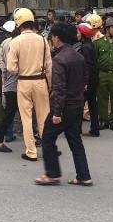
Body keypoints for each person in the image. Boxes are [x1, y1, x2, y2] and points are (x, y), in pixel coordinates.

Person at [35, 24, 92, 186]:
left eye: (52, 37)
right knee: (75, 140)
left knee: (47, 137)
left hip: (63, 106)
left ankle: (52, 174)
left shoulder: (60, 59)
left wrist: (57, 113)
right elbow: (85, 79)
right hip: (77, 104)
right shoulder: (78, 56)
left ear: (56, 38)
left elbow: (59, 88)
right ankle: (84, 175)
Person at [7, 8, 52, 161]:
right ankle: (48, 150)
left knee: (26, 118)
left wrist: (22, 70)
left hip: (24, 82)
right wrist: (50, 85)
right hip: (40, 81)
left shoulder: (15, 41)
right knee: (44, 118)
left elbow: (11, 68)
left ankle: (31, 152)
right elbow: (49, 66)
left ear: (18, 24)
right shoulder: (43, 40)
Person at [0, 20, 19, 152]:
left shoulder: (4, 43)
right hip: (18, 83)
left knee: (9, 112)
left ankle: (3, 138)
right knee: (29, 113)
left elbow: (0, 61)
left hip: (9, 82)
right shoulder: (18, 43)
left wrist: (5, 72)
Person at [77, 23, 100, 137]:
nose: (77, 34)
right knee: (92, 104)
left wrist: (84, 82)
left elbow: (87, 66)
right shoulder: (90, 45)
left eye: (78, 32)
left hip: (88, 81)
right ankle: (95, 129)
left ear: (82, 34)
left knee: (79, 105)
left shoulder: (85, 47)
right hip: (93, 79)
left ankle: (76, 130)